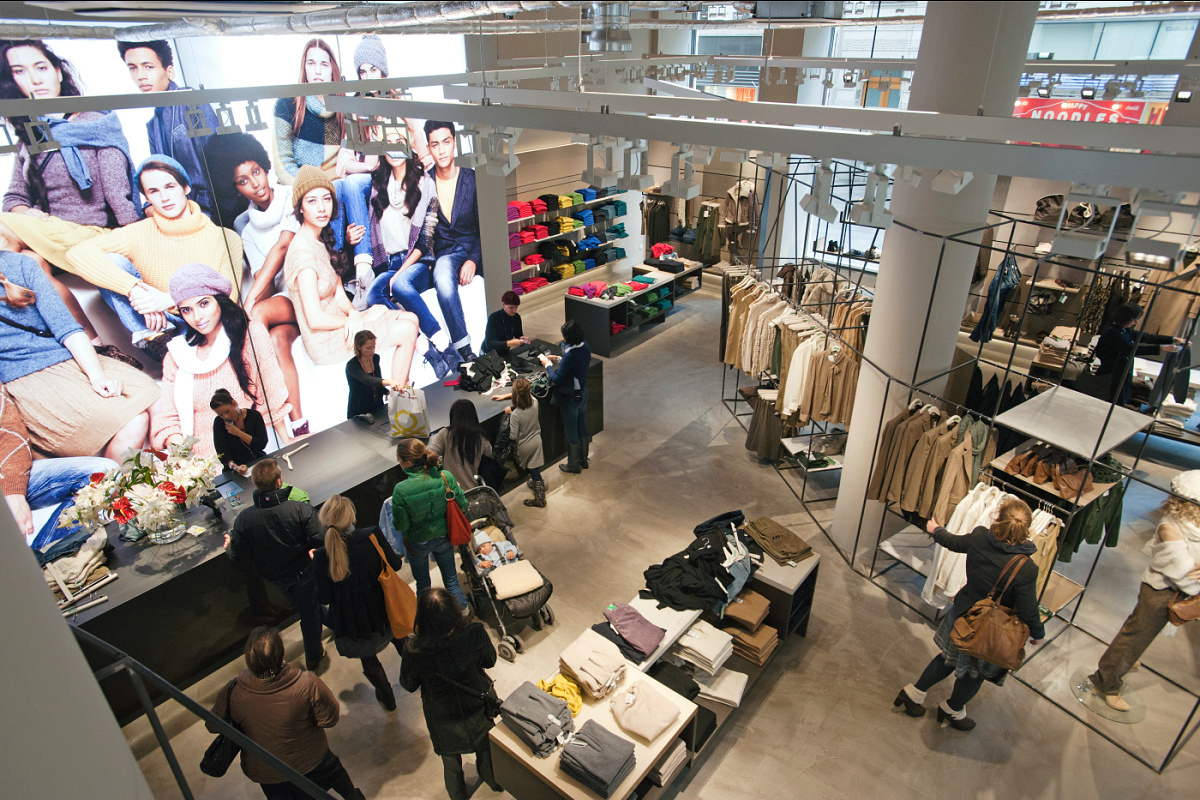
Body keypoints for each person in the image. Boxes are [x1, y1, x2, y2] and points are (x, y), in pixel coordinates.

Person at [0, 39, 139, 357]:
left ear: (59, 71)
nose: (35, 79)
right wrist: (25, 211)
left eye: (41, 67)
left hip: (92, 236)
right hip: (47, 238)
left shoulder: (95, 122)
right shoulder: (30, 133)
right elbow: (13, 195)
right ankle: (97, 347)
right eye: (19, 71)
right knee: (28, 262)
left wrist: (138, 243)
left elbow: (119, 197)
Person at [64, 156, 243, 360]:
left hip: (204, 326)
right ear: (147, 198)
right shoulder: (138, 233)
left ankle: (184, 353)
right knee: (112, 261)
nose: (164, 197)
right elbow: (76, 253)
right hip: (159, 328)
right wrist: (135, 290)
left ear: (185, 187)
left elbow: (229, 295)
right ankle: (157, 340)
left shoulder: (226, 237)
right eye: (154, 191)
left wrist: (168, 300)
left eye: (169, 186)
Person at [894, 498, 1045, 731]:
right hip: (990, 629)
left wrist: (936, 530)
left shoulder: (980, 537)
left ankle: (913, 694)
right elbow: (1028, 608)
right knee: (975, 674)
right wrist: (1037, 633)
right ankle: (952, 710)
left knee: (947, 659)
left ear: (997, 517)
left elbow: (951, 542)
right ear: (1027, 529)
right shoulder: (1026, 568)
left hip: (963, 614)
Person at [0, 251, 156, 460]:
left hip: (67, 359)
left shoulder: (19, 263)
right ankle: (108, 490)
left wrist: (97, 376)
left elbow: (67, 328)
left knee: (158, 397)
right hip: (25, 381)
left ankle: (186, 476)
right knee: (134, 421)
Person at [207, 133, 309, 436]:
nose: (255, 182)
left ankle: (258, 407)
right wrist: (240, 307)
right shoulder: (243, 225)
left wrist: (248, 306)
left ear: (265, 168)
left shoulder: (293, 196)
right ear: (235, 189)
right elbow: (263, 278)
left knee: (256, 313)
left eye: (256, 171)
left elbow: (281, 249)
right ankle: (298, 424)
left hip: (308, 290)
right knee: (277, 342)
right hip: (285, 302)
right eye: (243, 181)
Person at [282, 165, 419, 388]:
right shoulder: (302, 253)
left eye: (326, 199)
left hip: (341, 325)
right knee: (407, 330)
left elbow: (336, 289)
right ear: (300, 208)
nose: (321, 208)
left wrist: (355, 313)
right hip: (326, 339)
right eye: (312, 201)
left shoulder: (318, 239)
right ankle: (400, 399)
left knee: (411, 318)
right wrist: (353, 320)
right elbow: (314, 319)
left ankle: (399, 397)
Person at [150, 263, 292, 458]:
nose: (197, 317)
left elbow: (271, 399)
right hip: (195, 462)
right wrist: (188, 464)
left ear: (219, 300)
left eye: (203, 303)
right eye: (186, 310)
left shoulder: (251, 336)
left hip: (242, 455)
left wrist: (287, 442)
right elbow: (168, 420)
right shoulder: (177, 354)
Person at [208, 626, 365, 800]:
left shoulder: (233, 690)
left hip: (269, 774)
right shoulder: (307, 683)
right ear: (281, 656)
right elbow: (329, 719)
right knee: (341, 780)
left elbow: (213, 725)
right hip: (313, 762)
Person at [1088, 472, 1200, 711]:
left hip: (1172, 592)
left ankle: (1123, 660)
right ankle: (1106, 682)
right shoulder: (1171, 528)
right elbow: (1183, 573)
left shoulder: (1191, 528)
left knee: (1139, 634)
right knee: (1134, 636)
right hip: (1160, 594)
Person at [271, 38, 373, 296]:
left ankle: (346, 274)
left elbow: (350, 154)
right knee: (329, 193)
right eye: (311, 63)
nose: (317, 70)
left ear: (332, 69)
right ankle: (331, 277)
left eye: (324, 64)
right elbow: (283, 164)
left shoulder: (342, 106)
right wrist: (309, 190)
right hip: (302, 186)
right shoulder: (288, 104)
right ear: (304, 67)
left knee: (340, 188)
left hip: (337, 182)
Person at [388, 120, 482, 372]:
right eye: (435, 144)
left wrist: (473, 259)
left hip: (469, 247)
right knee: (440, 275)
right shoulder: (425, 183)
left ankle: (463, 348)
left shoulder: (472, 178)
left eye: (446, 142)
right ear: (428, 148)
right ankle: (464, 349)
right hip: (442, 255)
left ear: (455, 143)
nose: (441, 150)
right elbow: (424, 234)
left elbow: (486, 227)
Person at [363, 129, 456, 378]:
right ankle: (426, 348)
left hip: (417, 262)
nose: (393, 148)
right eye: (388, 142)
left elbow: (426, 242)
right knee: (374, 293)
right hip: (391, 264)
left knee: (401, 285)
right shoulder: (377, 187)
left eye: (399, 142)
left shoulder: (425, 184)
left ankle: (445, 346)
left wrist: (399, 273)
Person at [398, 587, 502, 800]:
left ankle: (458, 796)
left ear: (423, 617)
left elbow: (408, 684)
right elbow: (489, 660)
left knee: (451, 761)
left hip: (442, 716)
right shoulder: (474, 633)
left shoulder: (414, 650)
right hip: (476, 703)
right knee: (486, 749)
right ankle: (493, 781)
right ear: (454, 610)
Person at [226, 459, 327, 671]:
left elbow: (238, 555)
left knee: (307, 606)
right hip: (303, 572)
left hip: (275, 578)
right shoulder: (300, 509)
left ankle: (339, 623)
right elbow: (320, 539)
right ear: (279, 481)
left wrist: (228, 546)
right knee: (309, 613)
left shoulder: (244, 519)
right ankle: (313, 656)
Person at [312, 494, 405, 711]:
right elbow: (396, 564)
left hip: (353, 621)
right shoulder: (371, 535)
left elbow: (324, 598)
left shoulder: (321, 556)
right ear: (351, 516)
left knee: (369, 660)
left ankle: (388, 699)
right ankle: (420, 677)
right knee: (401, 640)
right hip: (385, 608)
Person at [1, 380, 116, 553]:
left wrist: (13, 491)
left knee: (103, 473)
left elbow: (9, 430)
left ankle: (45, 556)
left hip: (6, 476)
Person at [118, 40, 218, 219]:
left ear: (169, 71)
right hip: (182, 213)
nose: (140, 76)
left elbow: (220, 161)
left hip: (212, 210)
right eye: (133, 68)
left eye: (148, 66)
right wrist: (149, 205)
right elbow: (159, 174)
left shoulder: (190, 101)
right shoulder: (153, 124)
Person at [391, 438, 469, 612]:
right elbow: (463, 504)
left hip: (418, 543)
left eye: (399, 459)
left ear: (408, 462)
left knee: (423, 585)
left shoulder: (401, 490)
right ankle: (463, 612)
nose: (398, 462)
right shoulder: (445, 476)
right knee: (451, 580)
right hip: (444, 537)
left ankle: (426, 621)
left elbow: (401, 525)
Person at [1089, 302, 1183, 407]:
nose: (1135, 322)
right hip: (1111, 378)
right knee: (1108, 403)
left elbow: (1146, 337)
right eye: (1134, 319)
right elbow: (1130, 349)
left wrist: (1172, 339)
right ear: (1126, 318)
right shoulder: (1113, 333)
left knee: (1116, 403)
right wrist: (1162, 348)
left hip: (1119, 375)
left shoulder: (1124, 330)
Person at [539, 319, 591, 474]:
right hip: (583, 392)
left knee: (571, 432)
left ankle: (573, 465)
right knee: (582, 426)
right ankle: (583, 459)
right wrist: (559, 359)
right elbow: (577, 364)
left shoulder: (570, 356)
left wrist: (547, 365)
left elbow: (556, 379)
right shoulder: (585, 347)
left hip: (569, 399)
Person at [493, 377, 546, 508]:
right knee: (534, 467)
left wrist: (509, 416)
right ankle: (537, 484)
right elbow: (526, 395)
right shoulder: (535, 402)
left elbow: (512, 435)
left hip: (524, 446)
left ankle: (540, 498)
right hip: (537, 441)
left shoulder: (515, 414)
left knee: (532, 469)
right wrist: (508, 395)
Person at [428, 399, 492, 491]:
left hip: (453, 490)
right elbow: (489, 452)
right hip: (475, 489)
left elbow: (430, 454)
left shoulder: (445, 434)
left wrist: (443, 460)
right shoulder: (480, 437)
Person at [346, 329, 402, 419]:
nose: (372, 351)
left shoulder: (375, 358)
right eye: (368, 348)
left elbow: (377, 378)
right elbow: (368, 380)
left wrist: (387, 392)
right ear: (359, 347)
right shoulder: (352, 365)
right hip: (359, 411)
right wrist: (390, 382)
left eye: (374, 347)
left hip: (377, 407)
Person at [211, 388, 267, 476]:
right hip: (234, 468)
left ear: (234, 403)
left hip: (258, 462)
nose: (226, 416)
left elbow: (261, 444)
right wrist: (234, 466)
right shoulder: (219, 423)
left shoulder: (254, 415)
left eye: (227, 411)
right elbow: (221, 452)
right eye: (221, 415)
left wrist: (238, 433)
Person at [481, 290, 528, 359]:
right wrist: (509, 343)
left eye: (516, 307)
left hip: (504, 353)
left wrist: (522, 340)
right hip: (488, 354)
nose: (514, 310)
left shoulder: (516, 317)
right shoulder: (494, 317)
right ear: (503, 305)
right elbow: (489, 343)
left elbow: (519, 336)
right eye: (511, 308)